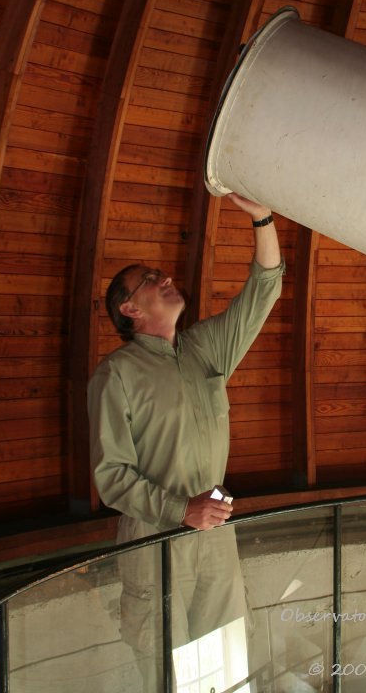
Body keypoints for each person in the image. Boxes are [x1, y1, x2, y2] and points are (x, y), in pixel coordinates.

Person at [87, 192, 283, 690]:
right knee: (168, 672)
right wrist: (181, 510)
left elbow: (263, 291)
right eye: (148, 279)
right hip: (154, 538)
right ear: (129, 308)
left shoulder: (203, 349)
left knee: (229, 661)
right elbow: (111, 477)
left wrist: (261, 216)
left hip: (217, 531)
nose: (164, 277)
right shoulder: (117, 373)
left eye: (160, 273)